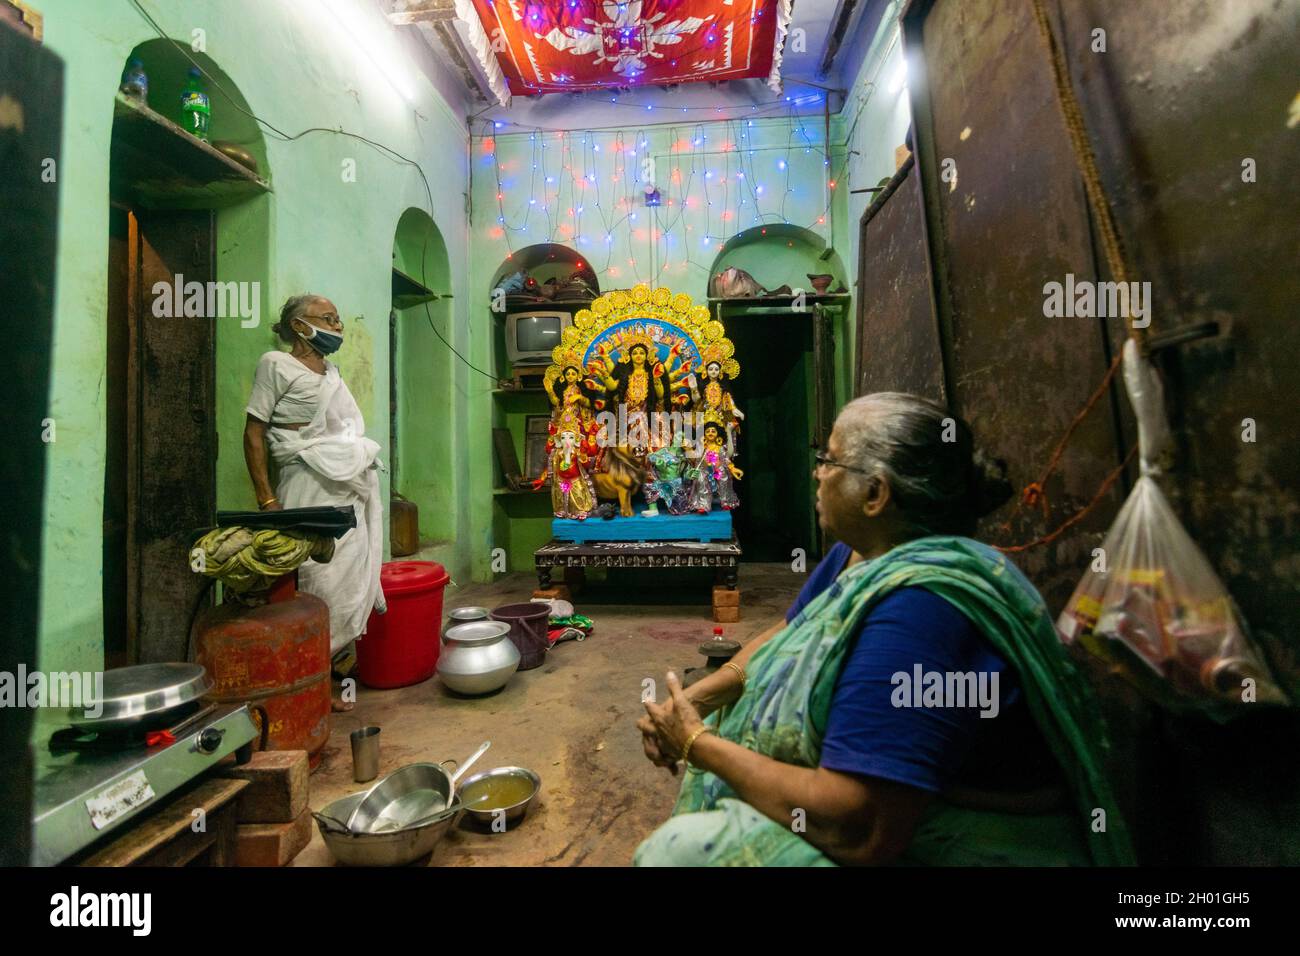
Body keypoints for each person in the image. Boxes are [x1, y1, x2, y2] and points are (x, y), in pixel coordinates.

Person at [635, 392, 1135, 866]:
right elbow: (786, 635)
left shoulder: (922, 611)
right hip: (889, 808)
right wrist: (697, 703)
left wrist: (698, 743)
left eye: (830, 461)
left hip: (956, 835)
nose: (817, 473)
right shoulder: (857, 555)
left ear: (875, 493)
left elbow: (864, 827)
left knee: (681, 852)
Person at [243, 295, 385, 710]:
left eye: (338, 319)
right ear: (299, 325)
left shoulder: (331, 371)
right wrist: (266, 497)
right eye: (328, 319)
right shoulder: (276, 365)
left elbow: (341, 427)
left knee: (350, 568)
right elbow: (254, 432)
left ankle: (333, 667)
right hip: (306, 480)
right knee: (316, 574)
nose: (337, 326)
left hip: (345, 483)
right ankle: (308, 678)